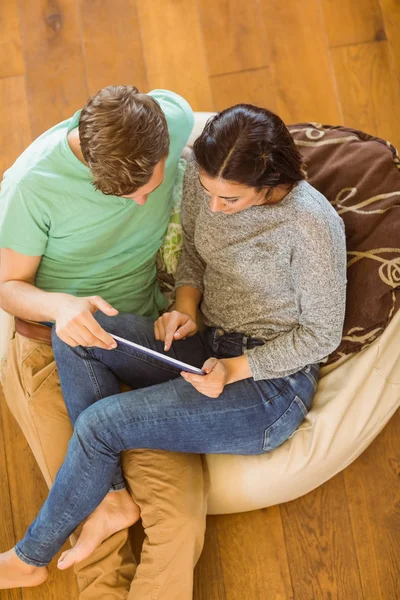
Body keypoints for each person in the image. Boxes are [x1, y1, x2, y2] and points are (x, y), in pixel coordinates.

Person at [0, 103, 347, 591]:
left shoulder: (312, 226)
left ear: (270, 185)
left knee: (101, 426)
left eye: (229, 199)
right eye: (205, 191)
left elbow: (321, 335)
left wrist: (235, 369)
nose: (213, 207)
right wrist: (185, 306)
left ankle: (30, 557)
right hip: (207, 346)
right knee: (77, 327)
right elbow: (194, 255)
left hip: (267, 387)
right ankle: (115, 498)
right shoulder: (200, 180)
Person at [0, 86, 209, 599]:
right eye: (123, 195)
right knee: (93, 533)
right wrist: (60, 306)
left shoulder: (174, 118)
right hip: (53, 346)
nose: (141, 201)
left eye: (148, 187)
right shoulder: (32, 187)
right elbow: (6, 286)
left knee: (179, 520)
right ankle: (109, 499)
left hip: (136, 345)